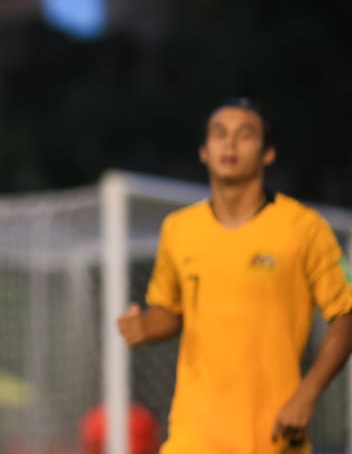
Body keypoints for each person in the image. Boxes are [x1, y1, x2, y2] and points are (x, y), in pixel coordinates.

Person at [117, 99, 352, 452]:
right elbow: (170, 310)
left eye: (245, 135)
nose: (230, 143)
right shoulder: (179, 229)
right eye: (219, 134)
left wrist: (306, 395)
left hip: (274, 434)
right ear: (203, 152)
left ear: (268, 153)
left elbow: (345, 315)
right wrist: (146, 325)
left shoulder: (305, 228)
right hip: (194, 433)